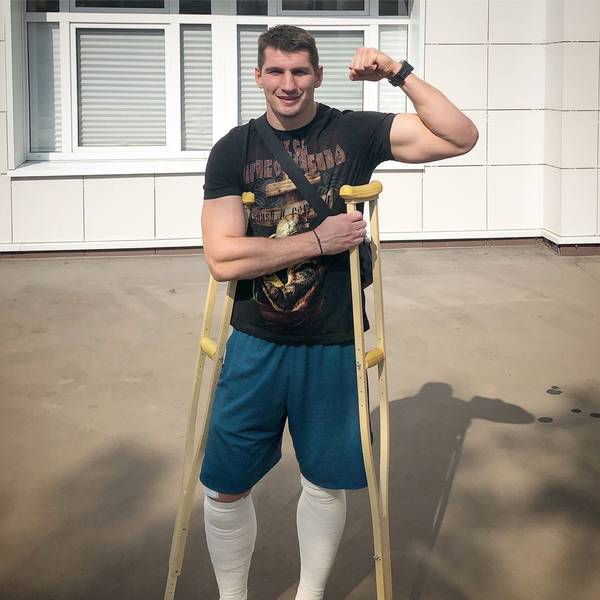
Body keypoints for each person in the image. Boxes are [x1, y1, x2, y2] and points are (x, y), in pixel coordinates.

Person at [199, 25, 478, 600]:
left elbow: (459, 136)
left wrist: (396, 72)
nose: (288, 84)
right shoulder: (234, 149)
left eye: (300, 71)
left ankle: (310, 595)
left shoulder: (353, 132)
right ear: (258, 76)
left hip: (333, 340)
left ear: (318, 76)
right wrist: (317, 241)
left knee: (325, 484)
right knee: (224, 486)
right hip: (254, 341)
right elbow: (222, 258)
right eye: (276, 71)